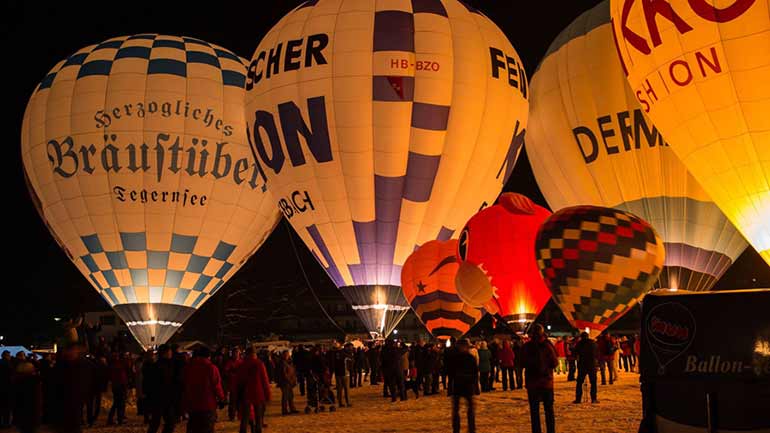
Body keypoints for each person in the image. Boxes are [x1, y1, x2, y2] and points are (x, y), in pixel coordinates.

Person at [521, 324, 558, 433]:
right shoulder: (548, 346)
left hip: (532, 383)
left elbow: (521, 362)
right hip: (546, 383)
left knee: (534, 411)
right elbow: (555, 363)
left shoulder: (526, 347)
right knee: (549, 410)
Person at [183, 347, 224, 433]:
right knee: (207, 428)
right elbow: (217, 386)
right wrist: (221, 398)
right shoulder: (211, 368)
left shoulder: (188, 367)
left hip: (192, 404)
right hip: (207, 405)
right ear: (209, 356)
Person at [145, 345, 180, 433]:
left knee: (158, 422)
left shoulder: (159, 365)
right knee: (164, 422)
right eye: (169, 351)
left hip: (161, 397)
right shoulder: (163, 366)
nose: (171, 353)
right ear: (165, 353)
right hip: (162, 397)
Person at [447, 339, 478, 433]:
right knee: (458, 410)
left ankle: (470, 429)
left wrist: (475, 385)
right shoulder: (464, 358)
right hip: (460, 385)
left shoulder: (466, 358)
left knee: (469, 409)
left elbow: (475, 373)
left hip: (464, 385)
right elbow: (451, 372)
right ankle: (459, 429)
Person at [237, 346, 270, 433]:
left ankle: (243, 431)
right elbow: (265, 380)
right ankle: (258, 430)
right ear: (254, 354)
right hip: (258, 393)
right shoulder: (259, 364)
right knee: (258, 416)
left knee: (245, 416)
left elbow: (238, 381)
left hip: (245, 393)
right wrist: (268, 394)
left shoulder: (242, 365)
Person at [573, 332, 599, 404]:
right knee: (593, 383)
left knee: (579, 383)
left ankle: (578, 399)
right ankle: (594, 398)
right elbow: (597, 353)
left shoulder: (579, 344)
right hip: (592, 365)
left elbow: (575, 353)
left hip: (582, 365)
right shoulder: (593, 344)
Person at [106, 351, 129, 425]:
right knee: (120, 403)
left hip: (117, 385)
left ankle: (115, 418)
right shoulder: (118, 364)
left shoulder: (113, 365)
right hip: (120, 385)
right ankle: (119, 419)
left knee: (117, 403)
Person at [86, 356, 108, 426]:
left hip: (92, 386)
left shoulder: (90, 365)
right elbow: (104, 376)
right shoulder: (102, 366)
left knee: (90, 404)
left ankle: (90, 418)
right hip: (97, 386)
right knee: (96, 403)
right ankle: (93, 417)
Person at [276, 350, 298, 415]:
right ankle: (284, 410)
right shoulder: (282, 363)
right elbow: (284, 374)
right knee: (285, 396)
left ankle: (292, 408)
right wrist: (289, 380)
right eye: (286, 355)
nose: (287, 356)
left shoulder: (288, 362)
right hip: (285, 382)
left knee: (291, 395)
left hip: (289, 382)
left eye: (288, 354)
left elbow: (292, 371)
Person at [223, 348, 243, 421]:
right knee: (233, 402)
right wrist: (232, 374)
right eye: (235, 353)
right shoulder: (229, 362)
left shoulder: (241, 361)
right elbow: (225, 372)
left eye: (237, 353)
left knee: (240, 401)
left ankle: (239, 415)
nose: (236, 354)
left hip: (240, 385)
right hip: (233, 385)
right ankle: (232, 416)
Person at [0, 350, 12, 428]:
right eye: (9, 355)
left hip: (1, 387)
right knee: (6, 407)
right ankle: (6, 423)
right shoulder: (8, 364)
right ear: (6, 356)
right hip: (7, 387)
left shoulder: (1, 363)